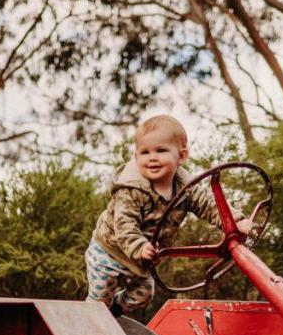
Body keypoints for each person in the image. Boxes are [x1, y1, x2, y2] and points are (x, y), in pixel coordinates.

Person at [86, 114, 254, 316]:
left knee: (144, 294)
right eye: (145, 152)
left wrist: (234, 221)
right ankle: (92, 319)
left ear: (181, 156)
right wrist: (139, 246)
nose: (152, 157)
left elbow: (208, 204)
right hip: (109, 252)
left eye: (161, 150)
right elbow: (124, 225)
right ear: (136, 156)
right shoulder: (130, 189)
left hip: (140, 261)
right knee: (98, 301)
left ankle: (112, 311)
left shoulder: (185, 187)